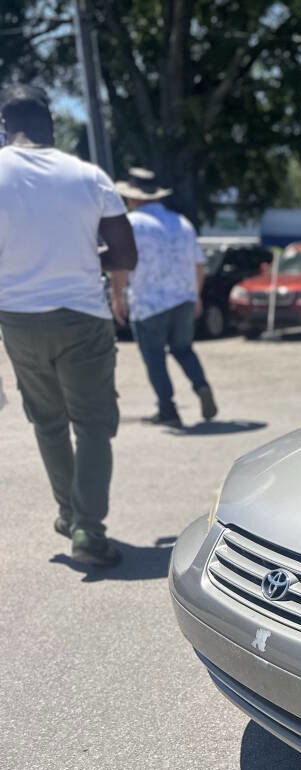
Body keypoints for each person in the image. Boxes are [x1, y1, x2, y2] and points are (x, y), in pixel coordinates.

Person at [0, 84, 136, 566]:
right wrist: (105, 279)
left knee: (48, 423)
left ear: (4, 123)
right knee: (94, 425)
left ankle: (67, 511)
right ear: (51, 124)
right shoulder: (87, 175)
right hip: (82, 319)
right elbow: (124, 252)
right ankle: (89, 532)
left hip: (16, 320)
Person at [114, 168, 217, 427]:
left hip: (149, 303)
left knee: (154, 358)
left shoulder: (131, 224)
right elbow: (198, 265)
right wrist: (197, 295)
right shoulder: (181, 222)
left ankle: (168, 410)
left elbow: (121, 266)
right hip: (183, 298)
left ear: (133, 198)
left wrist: (118, 296)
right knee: (183, 349)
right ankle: (201, 385)